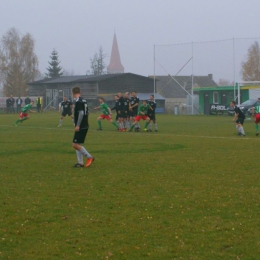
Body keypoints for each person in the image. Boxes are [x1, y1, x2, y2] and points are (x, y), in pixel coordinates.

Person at [72, 86, 94, 168]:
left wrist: (78, 125)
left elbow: (81, 113)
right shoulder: (84, 100)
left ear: (73, 93)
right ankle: (80, 163)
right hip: (85, 124)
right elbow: (87, 112)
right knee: (78, 144)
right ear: (80, 92)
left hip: (81, 125)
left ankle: (89, 157)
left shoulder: (78, 102)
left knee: (75, 144)